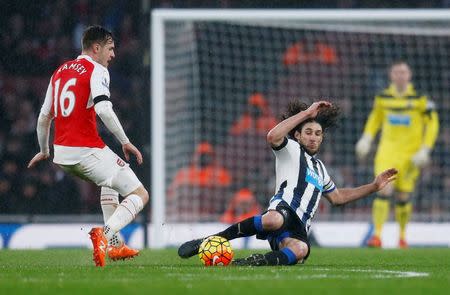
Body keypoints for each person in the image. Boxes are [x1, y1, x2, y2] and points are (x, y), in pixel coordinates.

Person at [178, 100, 398, 266]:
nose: (313, 137)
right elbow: (272, 136)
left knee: (301, 249)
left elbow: (338, 198)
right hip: (283, 210)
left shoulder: (321, 169)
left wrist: (373, 186)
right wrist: (306, 113)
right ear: (298, 136)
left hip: (299, 227)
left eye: (318, 134)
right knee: (273, 219)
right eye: (308, 132)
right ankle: (208, 240)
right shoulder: (290, 149)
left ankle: (252, 262)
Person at [27, 25, 149, 267]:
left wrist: (44, 150)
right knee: (140, 194)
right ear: (97, 48)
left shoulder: (60, 71)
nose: (113, 55)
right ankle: (104, 235)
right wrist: (126, 141)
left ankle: (115, 246)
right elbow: (104, 108)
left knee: (110, 179)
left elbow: (43, 117)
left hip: (62, 154)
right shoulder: (97, 69)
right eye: (110, 48)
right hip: (86, 149)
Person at [355, 61, 439, 249]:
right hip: (387, 152)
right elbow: (375, 119)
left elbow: (432, 124)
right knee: (383, 188)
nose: (400, 75)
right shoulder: (383, 97)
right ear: (391, 75)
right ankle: (376, 236)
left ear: (409, 75)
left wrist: (426, 149)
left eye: (403, 72)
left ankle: (402, 237)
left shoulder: (420, 99)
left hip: (411, 156)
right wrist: (367, 138)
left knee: (403, 196)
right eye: (397, 72)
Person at [167, 141, 232, 222]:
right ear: (195, 156)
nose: (204, 158)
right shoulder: (184, 173)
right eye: (202, 154)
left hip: (214, 216)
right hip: (186, 216)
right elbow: (172, 194)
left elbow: (227, 196)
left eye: (207, 155)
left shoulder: (221, 174)